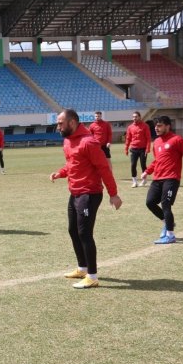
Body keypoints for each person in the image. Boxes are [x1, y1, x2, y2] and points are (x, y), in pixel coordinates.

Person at [50, 109, 122, 289]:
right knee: (73, 230)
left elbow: (104, 168)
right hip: (74, 192)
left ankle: (92, 276)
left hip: (89, 193)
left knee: (84, 233)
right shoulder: (67, 141)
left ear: (72, 123)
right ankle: (82, 268)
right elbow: (72, 164)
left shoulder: (89, 142)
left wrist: (113, 194)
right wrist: (60, 173)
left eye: (60, 123)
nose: (58, 126)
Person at [140, 115, 183, 244]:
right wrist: (147, 171)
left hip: (171, 178)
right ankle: (167, 222)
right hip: (157, 178)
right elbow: (157, 161)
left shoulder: (177, 140)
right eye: (155, 126)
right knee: (150, 202)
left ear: (167, 126)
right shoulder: (157, 142)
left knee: (166, 204)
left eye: (159, 126)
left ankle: (170, 235)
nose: (156, 128)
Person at [125, 111, 151, 188]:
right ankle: (134, 181)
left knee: (143, 165)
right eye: (133, 117)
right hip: (133, 149)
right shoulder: (130, 127)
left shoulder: (145, 126)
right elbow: (128, 138)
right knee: (133, 165)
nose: (134, 118)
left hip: (143, 149)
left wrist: (148, 148)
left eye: (136, 116)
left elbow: (148, 138)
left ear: (139, 117)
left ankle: (144, 179)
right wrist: (126, 148)